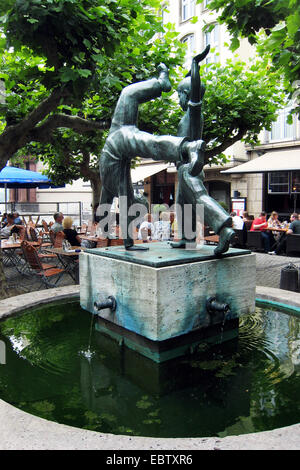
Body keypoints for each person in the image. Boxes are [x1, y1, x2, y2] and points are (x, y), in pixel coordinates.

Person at [98, 63, 206, 251]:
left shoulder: (119, 188)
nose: (140, 198)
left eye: (138, 203)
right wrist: (120, 236)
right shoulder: (118, 187)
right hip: (115, 143)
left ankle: (187, 145)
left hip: (116, 143)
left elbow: (113, 203)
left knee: (149, 142)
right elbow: (108, 202)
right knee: (130, 99)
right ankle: (161, 84)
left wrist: (113, 234)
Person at [169, 50, 235, 255]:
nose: (179, 99)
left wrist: (195, 64)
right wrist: (190, 72)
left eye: (180, 95)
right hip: (183, 167)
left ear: (187, 96)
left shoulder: (194, 113)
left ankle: (223, 228)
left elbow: (195, 94)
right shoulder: (187, 117)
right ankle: (187, 239)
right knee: (183, 204)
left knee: (198, 197)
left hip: (190, 166)